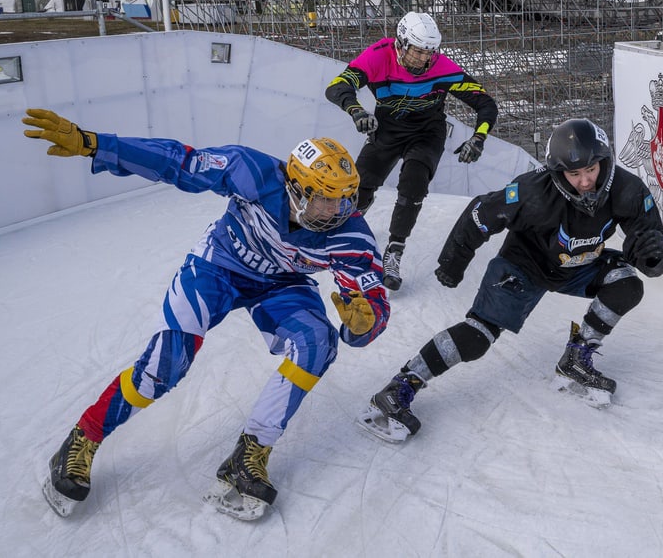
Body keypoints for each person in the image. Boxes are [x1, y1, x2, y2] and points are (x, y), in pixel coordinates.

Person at [22, 108, 390, 521]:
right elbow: (176, 161)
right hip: (218, 266)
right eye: (325, 197)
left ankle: (250, 454)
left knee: (319, 343)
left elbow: (372, 300)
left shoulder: (352, 235)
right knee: (165, 367)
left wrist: (364, 324)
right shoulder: (251, 170)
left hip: (282, 285)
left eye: (345, 197)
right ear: (296, 188)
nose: (337, 209)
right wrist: (96, 145)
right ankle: (82, 437)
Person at [357, 118, 663, 442]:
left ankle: (577, 358)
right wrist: (454, 262)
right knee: (478, 337)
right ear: (557, 172)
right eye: (574, 174)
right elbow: (480, 214)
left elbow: (652, 244)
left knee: (627, 284)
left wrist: (652, 257)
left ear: (603, 160)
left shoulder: (628, 189)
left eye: (591, 169)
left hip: (578, 265)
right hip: (522, 266)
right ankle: (400, 386)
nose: (585, 181)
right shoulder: (532, 191)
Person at [326, 11, 499, 292]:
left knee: (413, 185)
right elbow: (337, 86)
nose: (423, 60)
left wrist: (478, 139)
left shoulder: (442, 66)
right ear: (401, 44)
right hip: (388, 129)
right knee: (362, 183)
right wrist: (356, 110)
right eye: (418, 51)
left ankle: (394, 250)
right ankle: (354, 216)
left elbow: (486, 103)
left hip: (427, 133)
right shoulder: (378, 56)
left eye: (430, 53)